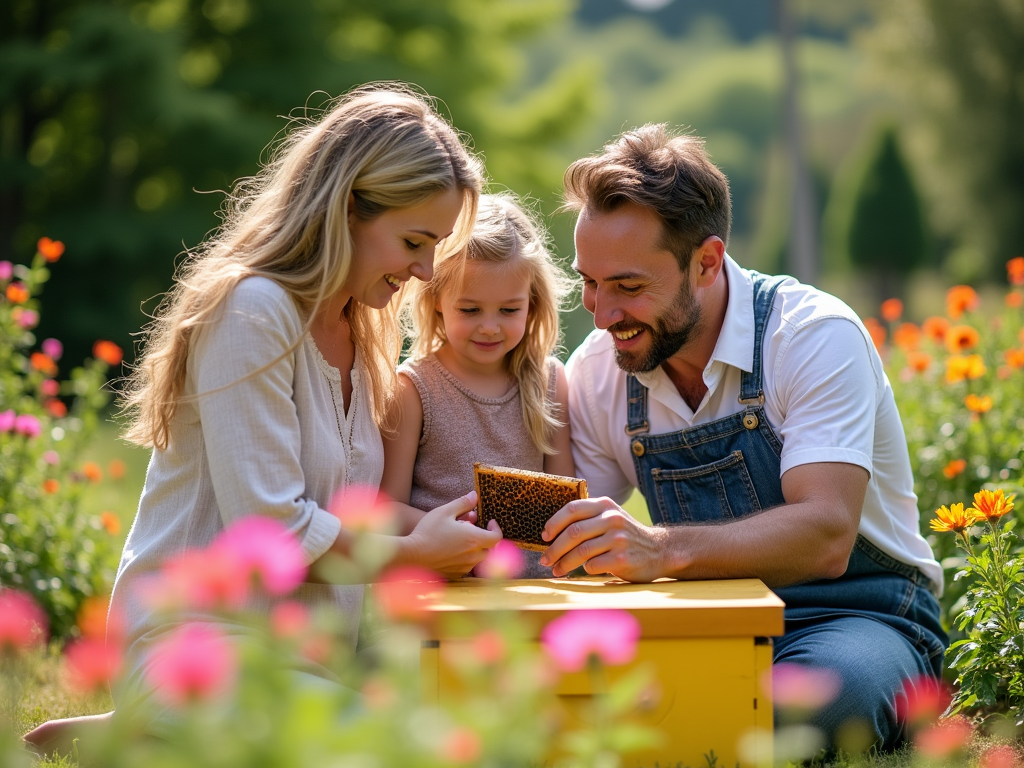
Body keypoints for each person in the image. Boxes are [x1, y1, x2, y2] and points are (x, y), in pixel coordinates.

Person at [24, 84, 501, 755]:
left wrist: (459, 530)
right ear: (347, 211)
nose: (426, 271)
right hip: (198, 642)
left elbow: (346, 507)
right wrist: (413, 556)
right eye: (414, 241)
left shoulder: (361, 330)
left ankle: (145, 734)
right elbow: (273, 529)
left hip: (302, 652)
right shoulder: (253, 311)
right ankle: (160, 712)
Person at [538, 124, 947, 750]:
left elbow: (826, 534)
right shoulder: (600, 368)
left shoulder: (812, 336)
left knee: (811, 708)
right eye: (590, 282)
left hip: (855, 615)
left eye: (628, 287)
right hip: (703, 622)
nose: (601, 313)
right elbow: (569, 536)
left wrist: (659, 549)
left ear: (706, 262)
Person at [381, 193, 574, 577]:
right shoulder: (413, 388)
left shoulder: (550, 381)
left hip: (532, 599)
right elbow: (386, 508)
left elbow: (564, 497)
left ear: (532, 304)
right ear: (437, 299)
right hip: (445, 596)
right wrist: (458, 536)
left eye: (508, 309)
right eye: (470, 310)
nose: (489, 326)